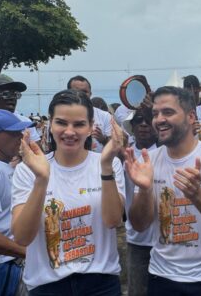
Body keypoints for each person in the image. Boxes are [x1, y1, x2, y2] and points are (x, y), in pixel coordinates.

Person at [126, 86, 201, 296]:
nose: (159, 119)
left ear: (190, 117)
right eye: (155, 113)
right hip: (162, 277)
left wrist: (198, 195)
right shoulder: (150, 161)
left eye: (168, 112)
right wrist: (144, 189)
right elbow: (140, 225)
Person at [11, 89, 125, 295]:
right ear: (50, 125)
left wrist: (106, 167)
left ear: (91, 127)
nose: (70, 131)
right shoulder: (28, 170)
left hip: (101, 284)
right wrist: (41, 180)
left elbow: (113, 220)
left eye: (79, 124)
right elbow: (21, 237)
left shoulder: (108, 163)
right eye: (61, 122)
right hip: (47, 285)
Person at [0, 110, 31, 296]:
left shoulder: (2, 166)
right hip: (0, 266)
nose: (20, 137)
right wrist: (27, 253)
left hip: (10, 261)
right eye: (13, 133)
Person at [121, 107, 158, 296]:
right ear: (132, 127)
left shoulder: (165, 151)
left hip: (163, 238)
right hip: (137, 239)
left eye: (148, 120)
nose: (143, 124)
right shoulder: (123, 156)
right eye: (138, 121)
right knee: (137, 290)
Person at [67, 75, 112, 153]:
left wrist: (103, 139)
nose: (80, 94)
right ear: (68, 93)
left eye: (85, 92)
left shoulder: (105, 116)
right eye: (76, 91)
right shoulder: (59, 117)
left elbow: (115, 145)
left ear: (90, 94)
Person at [0, 75, 41, 143]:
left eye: (15, 94)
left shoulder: (25, 122)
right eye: (6, 94)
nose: (12, 98)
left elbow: (38, 151)